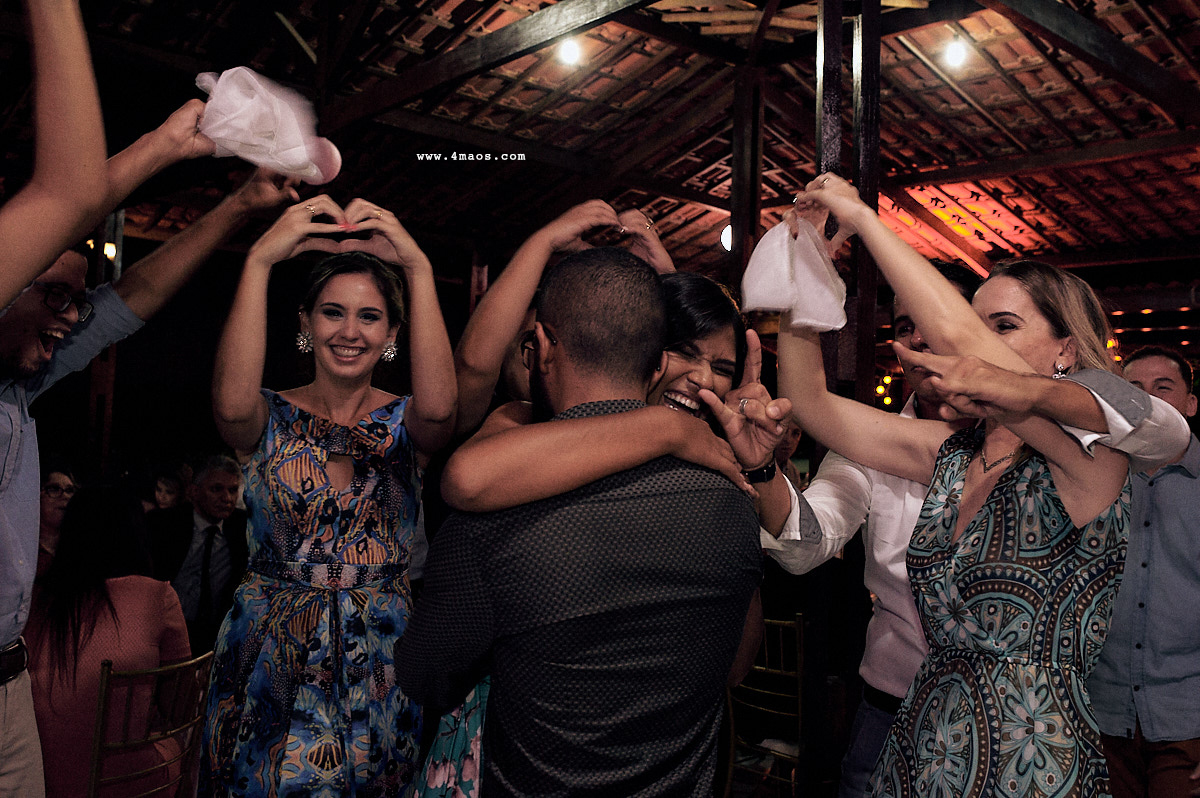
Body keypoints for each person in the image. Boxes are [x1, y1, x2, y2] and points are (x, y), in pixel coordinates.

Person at [763, 255, 1187, 798]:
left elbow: (1161, 427)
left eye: (1002, 327)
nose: (969, 344)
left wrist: (863, 220)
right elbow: (811, 403)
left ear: (1065, 350)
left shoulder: (1091, 460)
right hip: (921, 737)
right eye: (968, 326)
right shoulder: (951, 453)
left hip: (1027, 756)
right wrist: (804, 271)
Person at [397, 248, 762, 795]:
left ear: (542, 348)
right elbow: (735, 667)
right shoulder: (731, 496)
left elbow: (425, 675)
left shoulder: (497, 507)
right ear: (656, 364)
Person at [202, 195, 457, 796]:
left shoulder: (407, 424)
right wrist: (259, 260)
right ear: (305, 323)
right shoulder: (267, 416)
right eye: (332, 313)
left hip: (383, 658)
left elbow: (441, 410)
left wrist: (418, 267)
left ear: (391, 334)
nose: (349, 331)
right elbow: (229, 407)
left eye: (369, 317)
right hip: (269, 657)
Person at [25, 485, 190, 798]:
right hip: (126, 781)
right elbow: (180, 707)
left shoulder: (38, 598)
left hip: (38, 775)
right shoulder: (156, 596)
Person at [1088, 346, 1200, 798]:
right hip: (1099, 713)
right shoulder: (1090, 480)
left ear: (1191, 404)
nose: (1149, 400)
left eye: (1163, 388)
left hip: (1188, 717)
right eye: (1134, 389)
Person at [146, 456, 249, 656]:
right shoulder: (163, 524)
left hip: (215, 635)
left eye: (232, 490)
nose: (227, 498)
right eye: (216, 489)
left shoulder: (243, 528)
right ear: (194, 492)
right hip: (162, 627)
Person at [35, 464, 77, 580]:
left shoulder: (79, 548)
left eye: (69, 490)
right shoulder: (23, 549)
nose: (65, 496)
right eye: (54, 489)